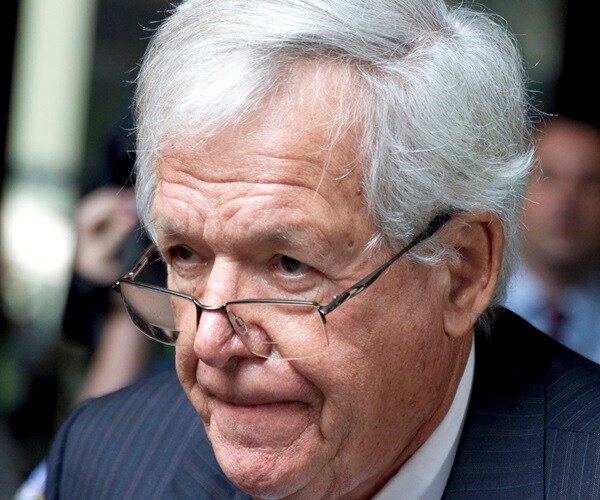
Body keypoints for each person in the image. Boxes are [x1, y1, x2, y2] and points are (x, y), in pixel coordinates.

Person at [45, 0, 600, 498]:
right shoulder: (105, 460)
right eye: (185, 255)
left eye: (290, 265)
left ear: (461, 271)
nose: (209, 342)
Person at [505, 117, 600, 362]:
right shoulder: (472, 308)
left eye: (590, 183)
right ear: (516, 189)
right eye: (549, 177)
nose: (567, 202)